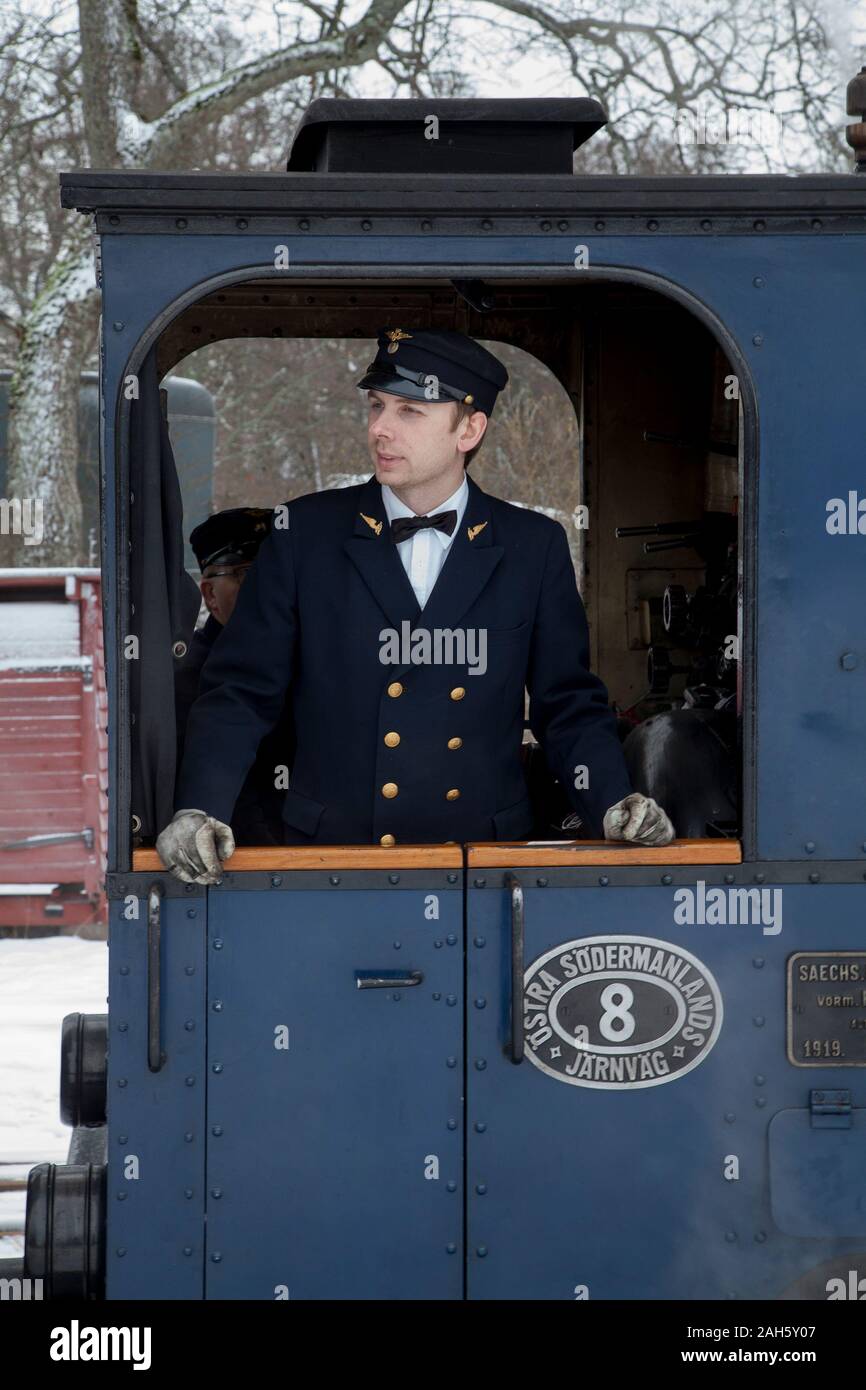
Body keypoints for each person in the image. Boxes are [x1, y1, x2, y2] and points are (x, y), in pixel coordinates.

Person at [158, 327, 674, 883]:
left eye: (410, 411)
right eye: (378, 406)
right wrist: (200, 807)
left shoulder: (533, 545)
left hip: (481, 861)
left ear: (469, 429)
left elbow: (566, 702)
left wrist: (611, 801)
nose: (380, 427)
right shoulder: (304, 534)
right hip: (333, 858)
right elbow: (241, 693)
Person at [174, 507, 293, 846]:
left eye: (273, 573)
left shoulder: (316, 660)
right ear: (210, 595)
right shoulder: (190, 682)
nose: (265, 588)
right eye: (245, 574)